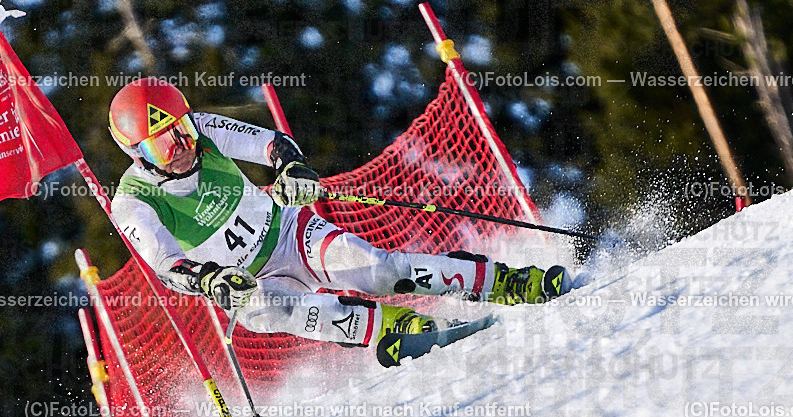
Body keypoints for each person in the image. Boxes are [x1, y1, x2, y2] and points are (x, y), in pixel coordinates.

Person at [108, 77, 571, 351]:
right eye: (163, 143)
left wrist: (292, 169)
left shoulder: (204, 131)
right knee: (264, 310)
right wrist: (210, 279)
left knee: (380, 269)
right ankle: (394, 328)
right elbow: (167, 266)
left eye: (183, 129)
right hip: (248, 278)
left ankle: (502, 281)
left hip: (289, 233)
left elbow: (273, 144)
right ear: (136, 153)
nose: (182, 145)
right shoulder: (133, 201)